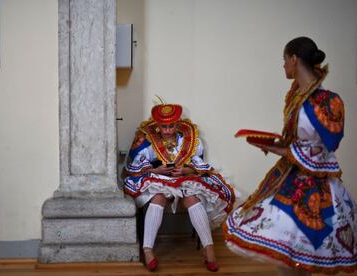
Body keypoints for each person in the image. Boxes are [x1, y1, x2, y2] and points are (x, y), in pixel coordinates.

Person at [223, 37, 357, 275]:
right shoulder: (297, 94)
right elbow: (296, 139)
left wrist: (277, 148)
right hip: (292, 174)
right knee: (286, 255)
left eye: (284, 60)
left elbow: (324, 148)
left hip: (315, 183)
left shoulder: (327, 101)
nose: (283, 66)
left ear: (294, 59)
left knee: (299, 250)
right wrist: (272, 143)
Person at [123, 103, 236, 272]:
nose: (167, 130)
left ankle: (209, 248)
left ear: (177, 124)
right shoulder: (148, 139)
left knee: (192, 199)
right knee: (158, 198)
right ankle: (148, 250)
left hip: (183, 178)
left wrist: (185, 170)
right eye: (163, 126)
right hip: (158, 179)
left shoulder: (188, 139)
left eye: (171, 126)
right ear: (157, 125)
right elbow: (136, 165)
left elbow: (198, 164)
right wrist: (156, 170)